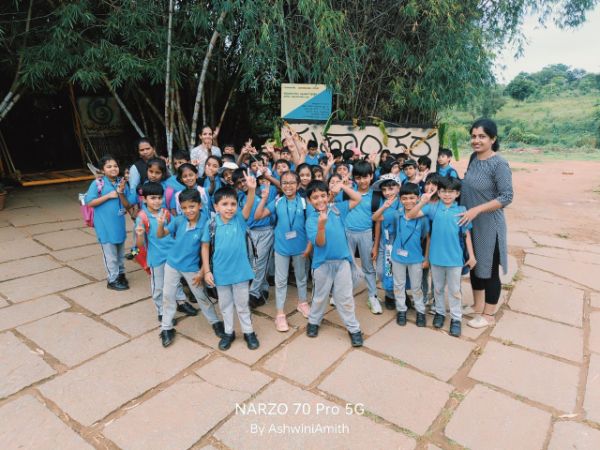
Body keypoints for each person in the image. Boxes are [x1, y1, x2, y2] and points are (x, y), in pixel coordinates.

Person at [459, 118, 513, 329]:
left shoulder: (499, 164)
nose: (476, 140)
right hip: (470, 223)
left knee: (489, 269)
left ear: (493, 138)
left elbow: (506, 196)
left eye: (482, 136)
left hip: (489, 224)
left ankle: (488, 315)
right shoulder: (474, 158)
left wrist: (477, 209)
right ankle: (477, 306)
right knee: (474, 265)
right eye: (473, 136)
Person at [406, 177, 476, 337]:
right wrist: (422, 201)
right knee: (437, 288)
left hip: (455, 259)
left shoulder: (462, 210)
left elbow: (466, 234)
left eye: (451, 192)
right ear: (438, 192)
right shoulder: (433, 208)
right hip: (436, 257)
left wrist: (471, 256)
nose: (447, 195)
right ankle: (439, 313)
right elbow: (410, 215)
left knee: (455, 290)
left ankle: (456, 319)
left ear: (457, 193)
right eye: (443, 191)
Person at [155, 188, 224, 347]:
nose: (188, 211)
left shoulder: (206, 223)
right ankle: (166, 327)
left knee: (202, 297)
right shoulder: (179, 220)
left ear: (199, 205)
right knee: (168, 296)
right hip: (172, 264)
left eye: (191, 206)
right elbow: (160, 234)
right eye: (184, 207)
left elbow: (208, 250)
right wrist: (160, 224)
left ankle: (215, 322)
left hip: (192, 268)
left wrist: (202, 272)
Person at [201, 176, 260, 351]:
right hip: (221, 273)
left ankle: (248, 332)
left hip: (240, 272)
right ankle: (228, 332)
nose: (229, 208)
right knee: (225, 305)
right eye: (224, 204)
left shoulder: (239, 219)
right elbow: (205, 247)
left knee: (242, 304)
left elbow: (249, 205)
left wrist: (251, 189)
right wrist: (207, 271)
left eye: (233, 204)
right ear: (216, 207)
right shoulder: (211, 224)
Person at [134, 182, 206, 325]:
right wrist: (140, 235)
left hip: (173, 255)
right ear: (144, 199)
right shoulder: (141, 217)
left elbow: (177, 227)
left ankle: (181, 302)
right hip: (156, 258)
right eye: (152, 198)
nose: (157, 201)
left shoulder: (166, 213)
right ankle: (162, 311)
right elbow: (139, 245)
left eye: (159, 198)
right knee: (159, 286)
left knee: (175, 282)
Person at [304, 180, 364, 347]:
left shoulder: (338, 210)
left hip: (342, 262)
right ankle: (314, 321)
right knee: (319, 296)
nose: (320, 200)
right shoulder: (311, 220)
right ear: (309, 200)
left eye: (323, 195)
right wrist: (321, 226)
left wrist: (343, 186)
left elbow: (358, 198)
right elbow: (320, 243)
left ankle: (354, 329)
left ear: (328, 195)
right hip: (322, 264)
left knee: (345, 297)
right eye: (315, 197)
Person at [254, 171, 311, 331]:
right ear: (281, 185)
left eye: (292, 182)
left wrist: (309, 246)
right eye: (284, 183)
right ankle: (280, 314)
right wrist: (264, 198)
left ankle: (302, 303)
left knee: (301, 277)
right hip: (281, 247)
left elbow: (310, 224)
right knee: (280, 281)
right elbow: (258, 215)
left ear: (298, 185)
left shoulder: (304, 202)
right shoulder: (277, 201)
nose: (288, 186)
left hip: (300, 247)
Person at [377, 183, 430, 326]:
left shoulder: (422, 217)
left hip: (416, 258)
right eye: (404, 198)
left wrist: (426, 258)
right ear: (400, 199)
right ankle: (401, 310)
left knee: (416, 286)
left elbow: (426, 237)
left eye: (412, 198)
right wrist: (385, 206)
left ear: (418, 198)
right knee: (398, 284)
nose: (408, 201)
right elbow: (378, 219)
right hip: (397, 257)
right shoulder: (397, 215)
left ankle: (420, 311)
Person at [85, 155, 132, 290]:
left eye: (115, 166)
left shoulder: (121, 182)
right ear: (102, 170)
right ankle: (112, 279)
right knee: (110, 254)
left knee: (120, 252)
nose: (113, 168)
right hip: (104, 225)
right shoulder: (98, 183)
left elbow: (127, 203)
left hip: (119, 224)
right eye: (109, 166)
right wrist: (108, 196)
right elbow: (90, 202)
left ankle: (121, 274)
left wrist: (121, 192)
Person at [343, 160, 381, 314]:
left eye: (365, 177)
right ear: (354, 178)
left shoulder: (376, 196)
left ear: (371, 176)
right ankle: (343, 294)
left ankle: (373, 296)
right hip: (347, 233)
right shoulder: (347, 192)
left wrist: (376, 245)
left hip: (366, 233)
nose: (362, 181)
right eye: (358, 178)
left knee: (368, 267)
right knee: (346, 266)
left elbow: (378, 222)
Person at [371, 174, 402, 310]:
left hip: (398, 243)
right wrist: (376, 246)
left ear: (398, 188)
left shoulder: (403, 202)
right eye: (384, 190)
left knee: (398, 272)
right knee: (381, 271)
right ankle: (390, 293)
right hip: (384, 243)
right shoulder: (382, 203)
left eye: (391, 188)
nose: (387, 192)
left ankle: (396, 296)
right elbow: (377, 222)